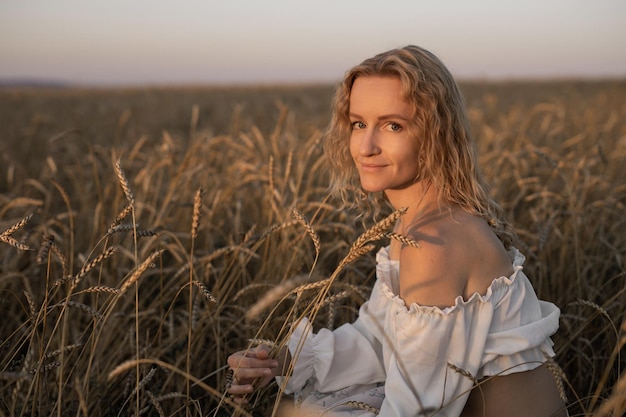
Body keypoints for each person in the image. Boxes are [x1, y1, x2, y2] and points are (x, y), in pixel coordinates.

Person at [227, 45, 567, 417]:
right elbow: (382, 338)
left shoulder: (434, 242)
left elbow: (416, 408)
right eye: (359, 124)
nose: (367, 146)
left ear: (436, 133)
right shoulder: (418, 222)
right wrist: (283, 360)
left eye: (393, 125)